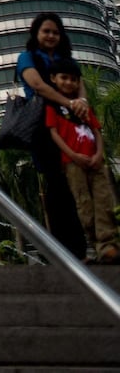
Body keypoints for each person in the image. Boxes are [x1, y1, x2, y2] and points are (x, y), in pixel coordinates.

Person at [16, 11, 89, 258]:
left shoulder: (66, 60)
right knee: (57, 186)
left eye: (56, 32)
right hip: (43, 128)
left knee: (77, 184)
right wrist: (69, 104)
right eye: (46, 31)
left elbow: (81, 89)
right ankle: (63, 250)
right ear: (36, 34)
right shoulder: (27, 57)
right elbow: (37, 85)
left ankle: (81, 247)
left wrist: (81, 105)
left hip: (71, 127)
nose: (51, 36)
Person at [46, 59, 120, 264]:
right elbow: (54, 134)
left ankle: (107, 246)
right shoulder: (54, 107)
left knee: (104, 203)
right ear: (53, 79)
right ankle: (95, 243)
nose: (69, 83)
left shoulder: (84, 108)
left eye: (73, 79)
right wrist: (73, 155)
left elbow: (96, 132)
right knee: (84, 206)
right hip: (73, 164)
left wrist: (98, 155)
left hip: (96, 163)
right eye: (64, 78)